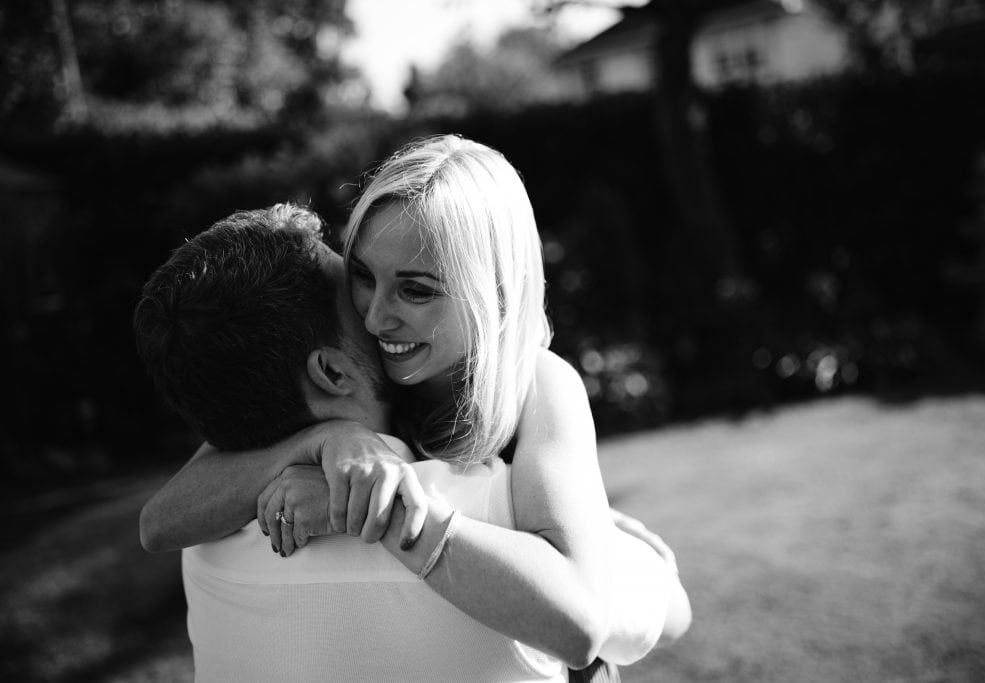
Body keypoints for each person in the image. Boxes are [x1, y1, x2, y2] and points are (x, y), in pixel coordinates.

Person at [139, 139, 690, 674]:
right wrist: (324, 444)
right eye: (361, 276)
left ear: (492, 292)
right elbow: (160, 522)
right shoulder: (368, 372)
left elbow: (587, 616)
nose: (376, 318)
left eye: (417, 290)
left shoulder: (540, 383)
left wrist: (359, 503)